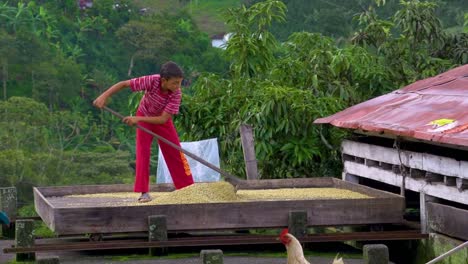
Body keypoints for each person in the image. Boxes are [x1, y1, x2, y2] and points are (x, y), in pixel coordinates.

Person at [93, 61, 194, 202]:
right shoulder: (152, 81)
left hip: (160, 120)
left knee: (175, 151)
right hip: (144, 114)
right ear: (163, 80)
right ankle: (144, 192)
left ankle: (187, 188)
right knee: (143, 152)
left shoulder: (176, 94)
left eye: (179, 83)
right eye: (175, 83)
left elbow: (164, 119)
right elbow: (124, 84)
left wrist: (137, 119)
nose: (178, 87)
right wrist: (104, 96)